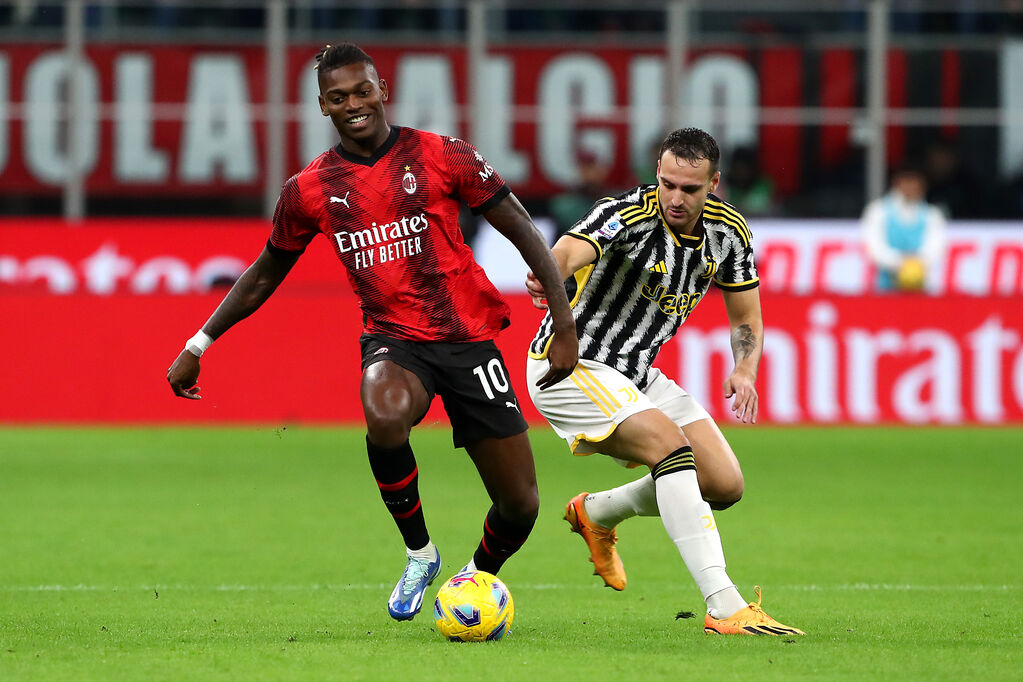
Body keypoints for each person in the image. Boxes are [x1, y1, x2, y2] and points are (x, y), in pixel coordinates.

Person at [166, 42, 578, 622]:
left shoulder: (441, 155)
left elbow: (523, 232)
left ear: (382, 87)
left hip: (467, 339)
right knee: (384, 414)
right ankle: (420, 553)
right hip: (394, 339)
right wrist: (198, 343)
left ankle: (474, 578)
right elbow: (263, 273)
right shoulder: (309, 189)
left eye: (362, 90)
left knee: (520, 505)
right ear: (322, 106)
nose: (354, 104)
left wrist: (563, 323)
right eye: (339, 97)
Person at [524, 128, 804, 636]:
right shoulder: (625, 215)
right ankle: (724, 604)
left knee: (723, 483)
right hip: (571, 366)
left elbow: (745, 316)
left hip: (636, 372)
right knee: (672, 450)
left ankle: (597, 511)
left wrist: (744, 368)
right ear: (657, 172)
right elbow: (567, 250)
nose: (676, 198)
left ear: (713, 183)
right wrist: (549, 273)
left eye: (690, 189)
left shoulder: (729, 233)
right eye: (668, 184)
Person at [862, 164, 947, 292]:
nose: (910, 186)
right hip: (883, 288)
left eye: (915, 181)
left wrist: (915, 266)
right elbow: (874, 249)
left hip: (920, 288)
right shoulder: (878, 211)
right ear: (896, 183)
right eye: (906, 180)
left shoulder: (932, 215)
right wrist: (901, 264)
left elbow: (934, 250)